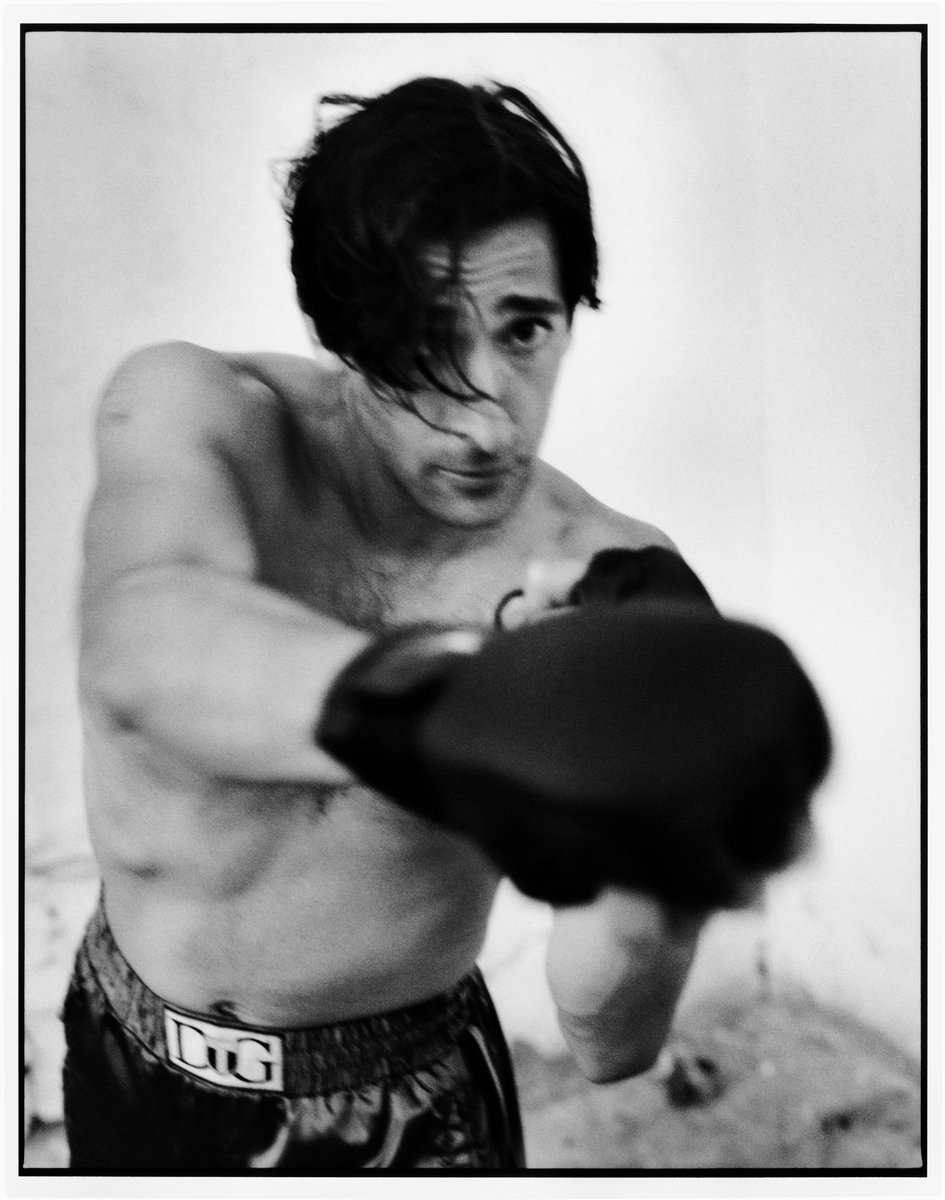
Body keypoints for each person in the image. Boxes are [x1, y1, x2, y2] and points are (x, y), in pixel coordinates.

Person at [63, 77, 828, 1172]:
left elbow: (609, 1041)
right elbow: (146, 638)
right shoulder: (200, 416)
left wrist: (645, 870)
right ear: (346, 324)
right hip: (125, 1049)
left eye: (526, 330)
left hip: (401, 1112)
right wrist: (462, 702)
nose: (485, 409)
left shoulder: (618, 590)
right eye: (427, 336)